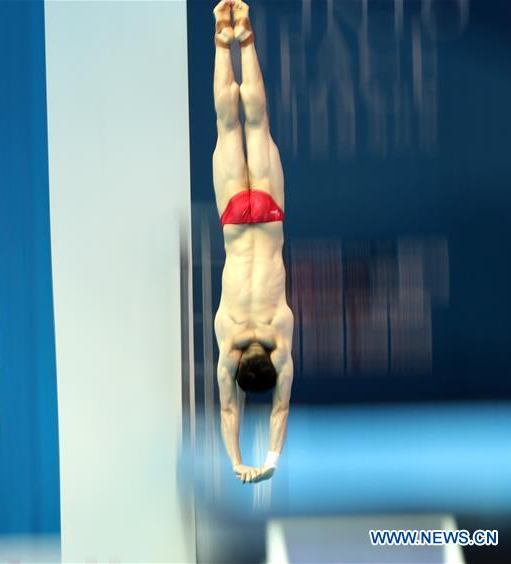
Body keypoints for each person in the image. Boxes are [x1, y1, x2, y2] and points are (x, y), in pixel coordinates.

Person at [211, 0, 294, 484]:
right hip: (234, 225)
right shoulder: (228, 338)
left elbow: (280, 409)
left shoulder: (281, 336)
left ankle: (243, 36)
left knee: (257, 124)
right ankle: (223, 40)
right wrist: (239, 461)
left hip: (268, 216)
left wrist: (270, 459)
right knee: (228, 126)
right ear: (241, 361)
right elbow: (228, 409)